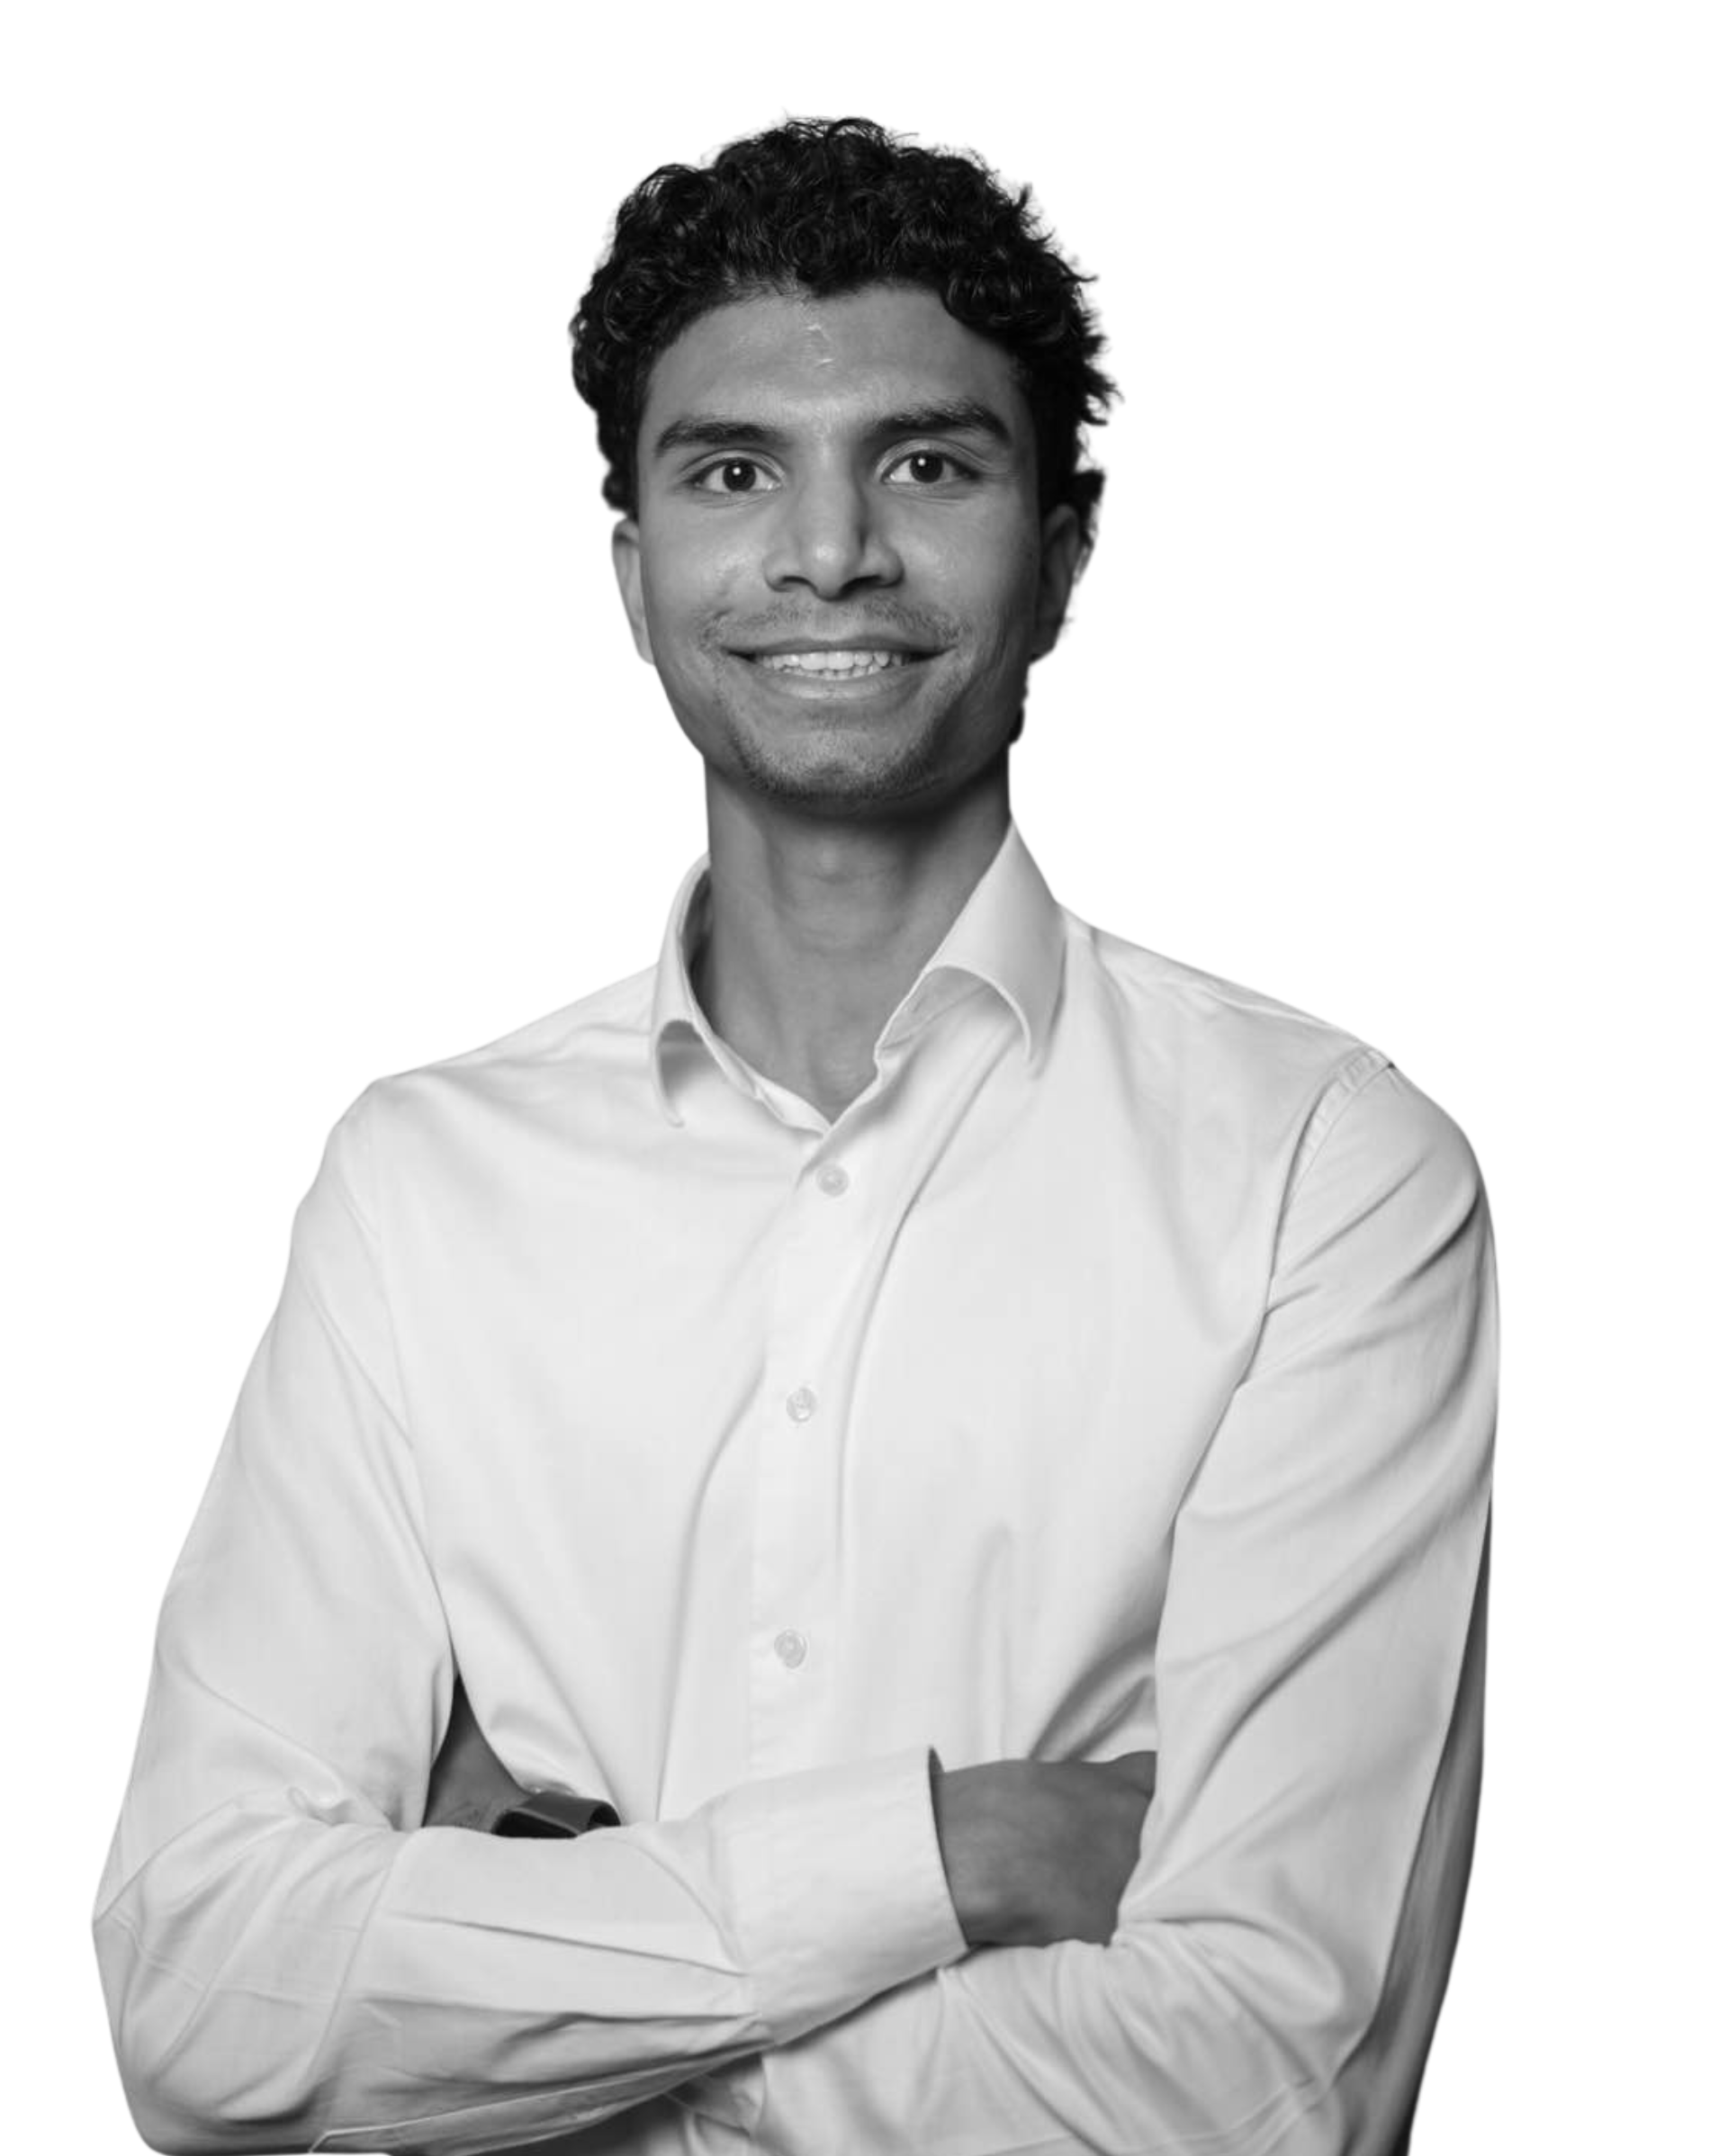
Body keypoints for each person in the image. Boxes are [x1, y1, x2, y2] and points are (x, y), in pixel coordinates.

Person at [91, 113, 1499, 2155]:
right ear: (634, 580)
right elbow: (200, 2000)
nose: (829, 549)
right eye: (733, 471)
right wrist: (961, 1852)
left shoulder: (1326, 1173)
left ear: (1069, 558)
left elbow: (1268, 2081)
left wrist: (524, 1986)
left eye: (928, 464)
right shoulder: (420, 1182)